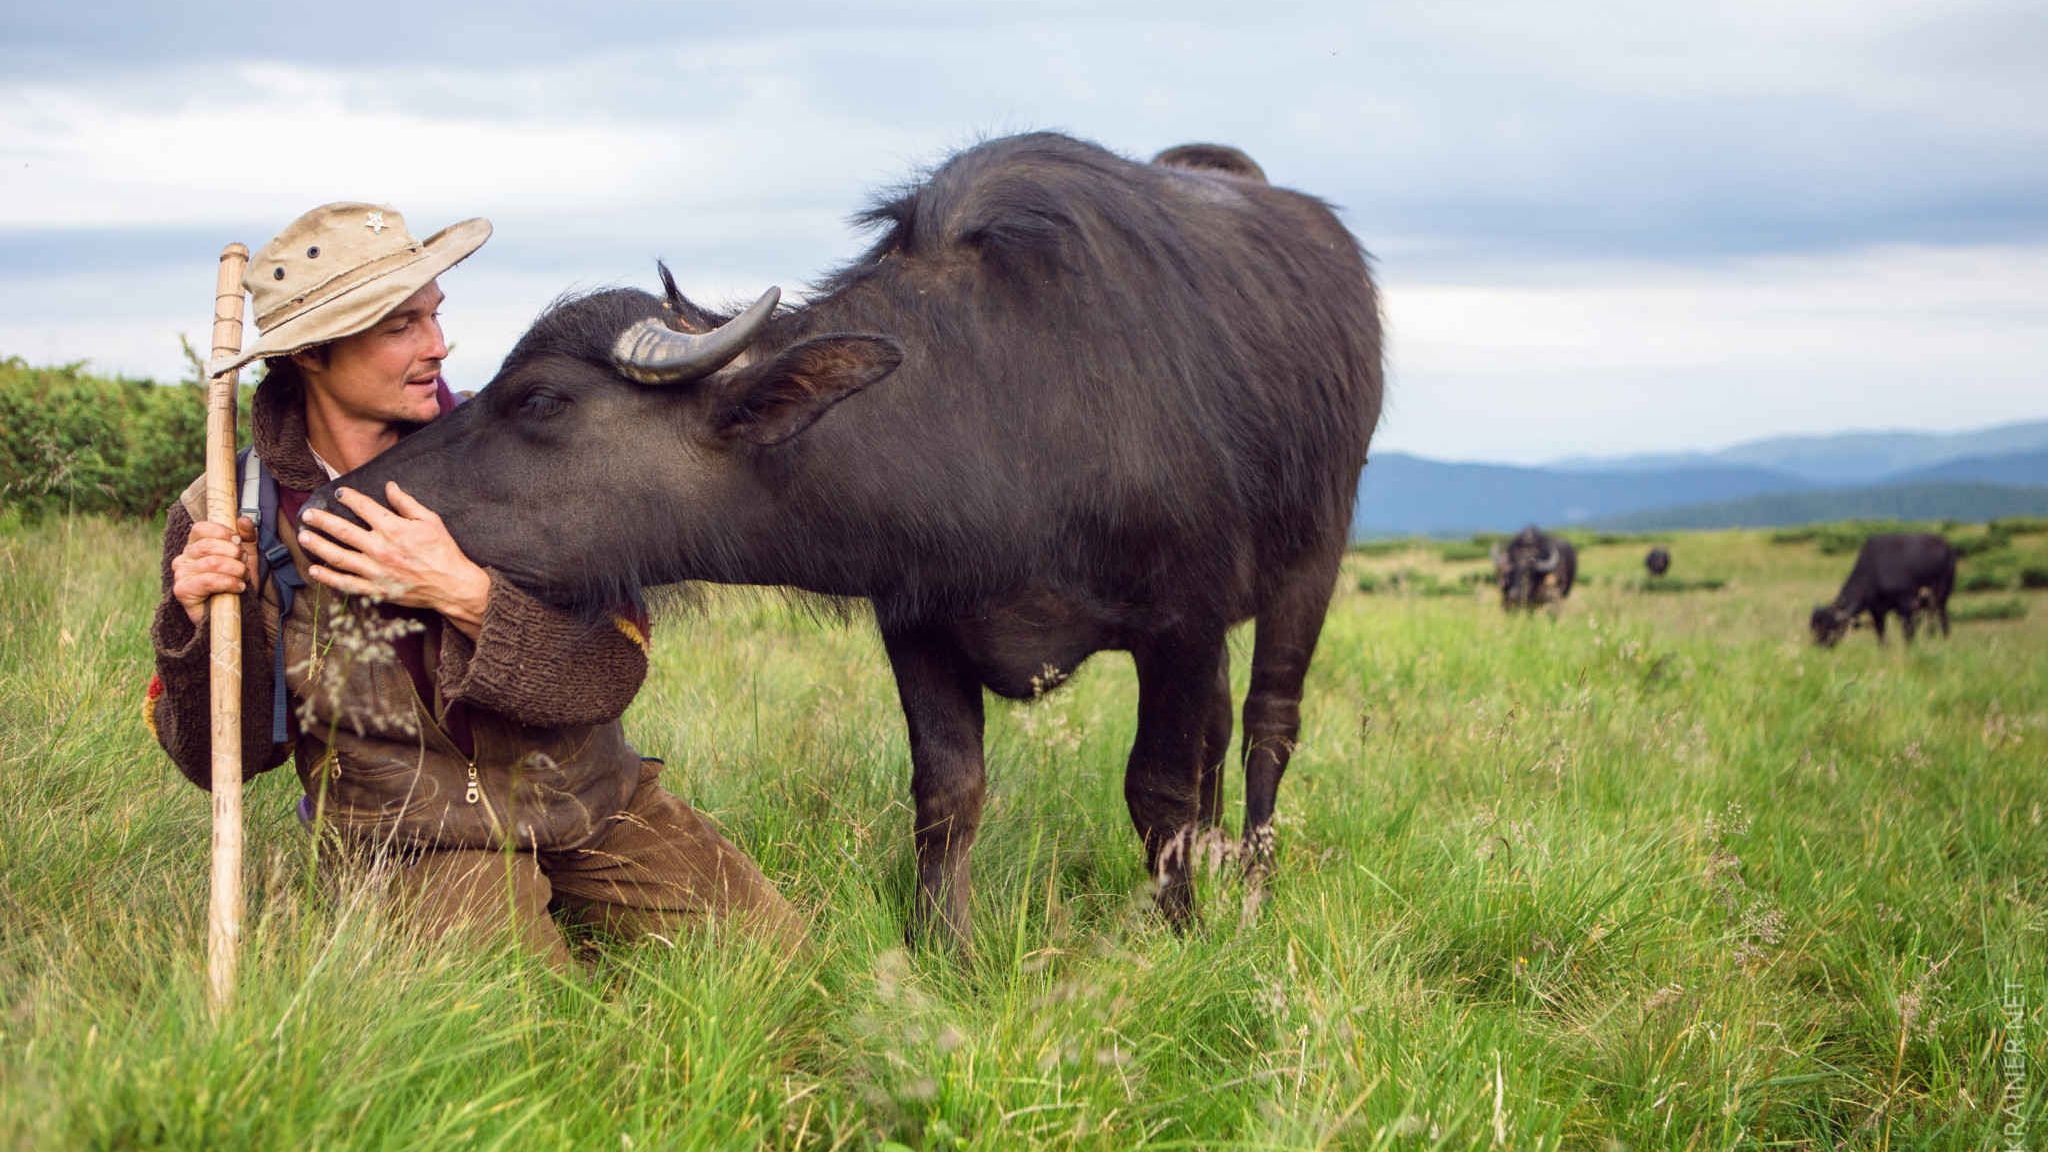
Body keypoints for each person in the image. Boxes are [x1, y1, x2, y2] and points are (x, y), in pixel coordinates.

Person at [147, 202, 802, 967]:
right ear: (312, 353)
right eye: (401, 326)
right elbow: (220, 763)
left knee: (778, 964)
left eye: (435, 315)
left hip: (589, 803)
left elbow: (612, 671)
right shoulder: (229, 514)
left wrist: (462, 592)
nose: (437, 345)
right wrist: (197, 626)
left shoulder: (535, 451)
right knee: (517, 1013)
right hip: (411, 837)